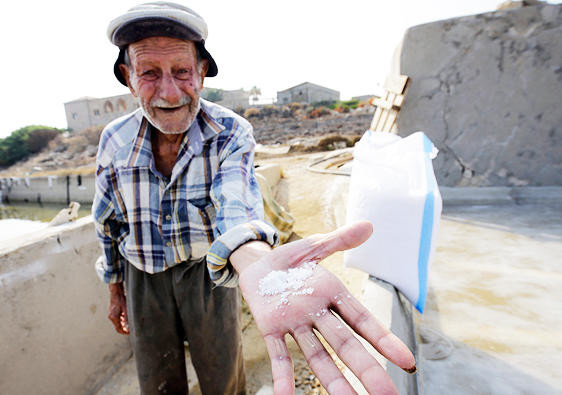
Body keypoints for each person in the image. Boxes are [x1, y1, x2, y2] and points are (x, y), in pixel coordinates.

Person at [93, 2, 416, 394]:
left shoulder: (229, 131)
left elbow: (237, 207)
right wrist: (115, 289)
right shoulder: (114, 140)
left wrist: (258, 264)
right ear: (128, 78)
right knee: (157, 379)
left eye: (181, 71)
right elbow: (107, 221)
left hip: (208, 272)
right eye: (149, 73)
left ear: (202, 72)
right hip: (141, 273)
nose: (169, 91)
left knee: (222, 373)